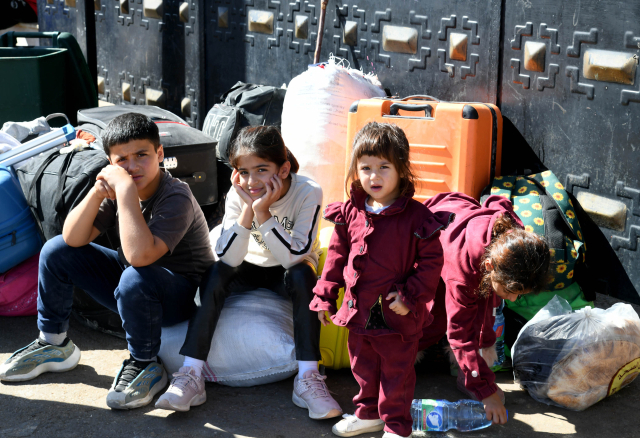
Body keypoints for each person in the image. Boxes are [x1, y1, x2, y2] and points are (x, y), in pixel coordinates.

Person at [0, 113, 215, 409]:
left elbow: (140, 257)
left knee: (134, 276)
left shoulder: (176, 196)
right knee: (56, 250)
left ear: (160, 153)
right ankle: (54, 343)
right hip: (138, 286)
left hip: (181, 298)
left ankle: (144, 363)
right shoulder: (117, 191)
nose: (132, 166)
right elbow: (74, 237)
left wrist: (125, 190)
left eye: (142, 155)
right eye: (121, 160)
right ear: (110, 163)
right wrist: (98, 190)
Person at [156, 125, 342, 419]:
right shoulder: (238, 193)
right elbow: (228, 258)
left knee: (303, 276)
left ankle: (307, 379)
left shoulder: (308, 191)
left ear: (283, 169)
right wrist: (247, 210)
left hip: (288, 269)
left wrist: (264, 213)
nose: (251, 180)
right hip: (248, 266)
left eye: (261, 169)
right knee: (216, 273)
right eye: (243, 171)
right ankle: (191, 373)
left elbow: (293, 256)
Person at [310, 122, 452, 438]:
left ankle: (397, 426)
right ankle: (367, 414)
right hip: (359, 310)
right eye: (366, 168)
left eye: (383, 167)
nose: (374, 176)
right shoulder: (350, 212)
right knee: (362, 366)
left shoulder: (416, 216)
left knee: (397, 373)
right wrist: (324, 295)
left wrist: (411, 297)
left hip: (397, 314)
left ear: (402, 170)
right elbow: (335, 257)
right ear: (356, 170)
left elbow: (431, 262)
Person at [418, 192, 551, 425]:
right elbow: (459, 335)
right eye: (511, 291)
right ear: (489, 266)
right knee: (435, 320)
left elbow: (497, 201)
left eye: (519, 293)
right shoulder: (461, 273)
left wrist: (485, 350)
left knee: (487, 303)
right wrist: (486, 392)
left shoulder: (513, 238)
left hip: (466, 235)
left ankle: (469, 376)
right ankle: (393, 362)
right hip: (427, 237)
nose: (513, 299)